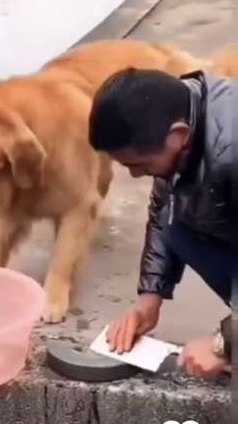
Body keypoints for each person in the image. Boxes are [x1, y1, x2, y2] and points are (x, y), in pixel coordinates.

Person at [87, 67, 235, 379]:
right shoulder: (185, 111)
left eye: (138, 164)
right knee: (175, 220)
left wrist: (224, 343)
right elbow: (162, 210)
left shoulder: (231, 152)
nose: (136, 175)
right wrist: (149, 298)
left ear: (178, 136)